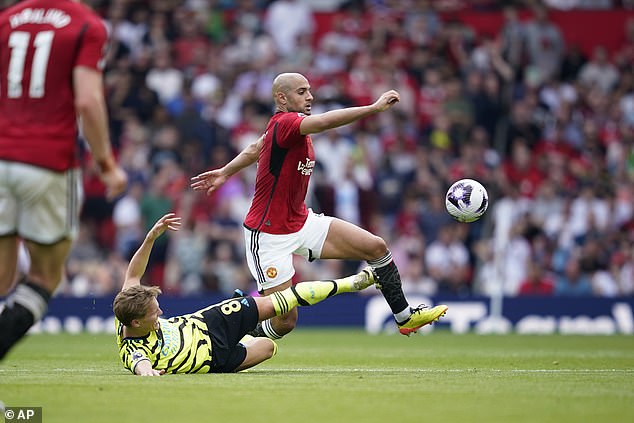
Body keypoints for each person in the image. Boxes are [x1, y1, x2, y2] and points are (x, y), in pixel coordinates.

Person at [192, 72, 448, 339]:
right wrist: (373, 108)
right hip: (268, 235)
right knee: (285, 321)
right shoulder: (287, 123)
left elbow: (256, 148)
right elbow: (325, 122)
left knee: (376, 247)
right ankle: (237, 338)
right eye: (302, 92)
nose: (310, 96)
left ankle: (405, 317)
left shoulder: (282, 128)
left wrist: (225, 172)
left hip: (301, 222)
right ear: (282, 98)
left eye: (309, 90)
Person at [0, 0, 128, 360]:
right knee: (43, 278)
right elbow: (87, 100)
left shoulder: (6, 21)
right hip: (48, 162)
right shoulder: (86, 24)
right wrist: (106, 163)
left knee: (3, 278)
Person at [114, 213, 377, 375]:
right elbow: (140, 364)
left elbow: (133, 275)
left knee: (283, 303)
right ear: (136, 322)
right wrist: (147, 373)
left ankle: (352, 282)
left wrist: (150, 238)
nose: (160, 312)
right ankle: (248, 326)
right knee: (268, 347)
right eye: (154, 312)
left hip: (210, 322)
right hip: (217, 361)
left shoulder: (127, 306)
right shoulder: (134, 350)